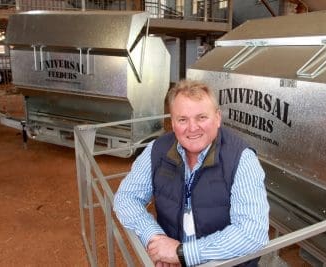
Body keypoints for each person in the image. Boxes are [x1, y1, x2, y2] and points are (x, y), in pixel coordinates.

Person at [114, 80, 269, 266]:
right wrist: (155, 239)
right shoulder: (157, 150)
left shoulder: (241, 159)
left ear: (218, 118)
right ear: (172, 122)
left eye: (201, 117)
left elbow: (252, 233)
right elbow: (125, 198)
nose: (192, 128)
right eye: (182, 119)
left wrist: (183, 253)